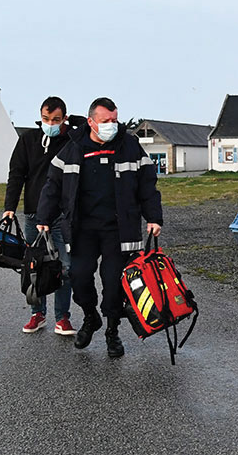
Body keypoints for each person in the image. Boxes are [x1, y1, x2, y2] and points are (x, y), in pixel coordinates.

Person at [36, 97, 163, 358]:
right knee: (79, 276)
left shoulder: (130, 146)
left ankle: (112, 331)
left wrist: (154, 218)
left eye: (115, 120)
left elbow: (148, 185)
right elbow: (53, 186)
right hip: (83, 229)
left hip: (119, 229)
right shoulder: (73, 147)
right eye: (106, 121)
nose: (112, 126)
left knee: (114, 283)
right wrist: (44, 218)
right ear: (91, 122)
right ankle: (91, 317)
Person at [4, 97, 81, 335]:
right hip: (33, 216)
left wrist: (74, 123)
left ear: (65, 119)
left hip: (63, 217)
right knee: (33, 266)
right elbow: (16, 174)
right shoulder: (28, 140)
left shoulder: (73, 141)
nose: (50, 123)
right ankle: (37, 314)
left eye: (56, 120)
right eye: (46, 119)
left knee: (65, 267)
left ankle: (62, 318)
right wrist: (9, 206)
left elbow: (89, 127)